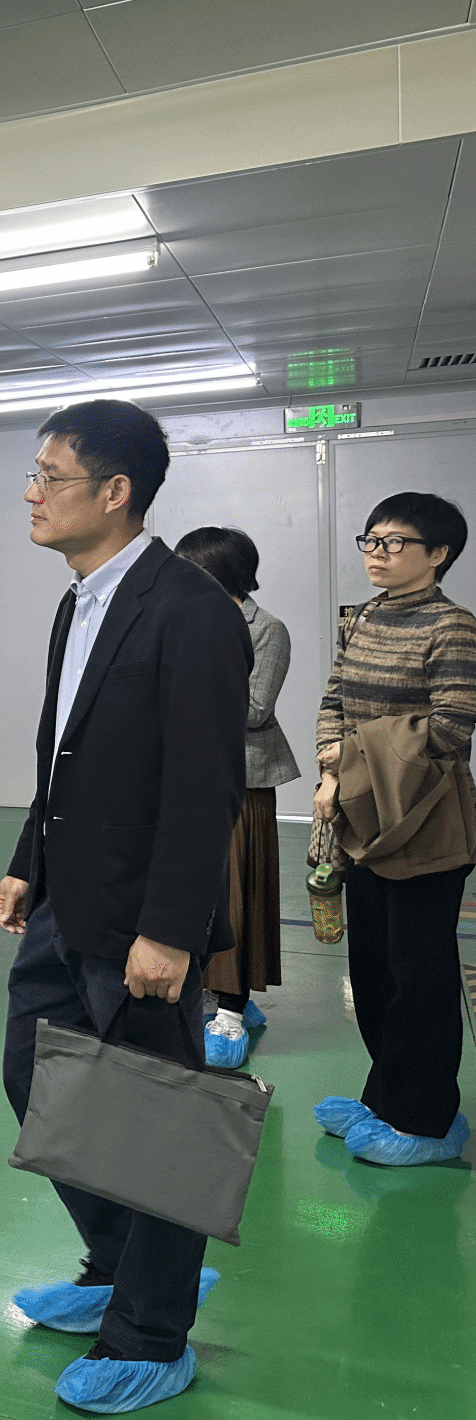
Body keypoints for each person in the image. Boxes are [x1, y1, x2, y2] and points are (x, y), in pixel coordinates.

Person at [0, 401, 249, 1415]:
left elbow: (204, 787)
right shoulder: (81, 601)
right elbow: (63, 752)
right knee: (34, 1080)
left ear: (115, 492)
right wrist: (28, 858)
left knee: (155, 1125)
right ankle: (123, 1263)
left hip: (140, 919)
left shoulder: (190, 612)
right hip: (67, 898)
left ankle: (150, 1331)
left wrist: (170, 931)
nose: (30, 494)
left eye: (49, 476)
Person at [311, 492, 476, 1167]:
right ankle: (386, 1096)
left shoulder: (452, 627)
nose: (377, 553)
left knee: (419, 974)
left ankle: (427, 1119)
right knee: (373, 966)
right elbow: (334, 699)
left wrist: (348, 759)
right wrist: (332, 771)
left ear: (438, 554)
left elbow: (451, 728)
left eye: (395, 542)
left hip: (426, 819)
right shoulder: (365, 616)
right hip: (362, 811)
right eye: (371, 540)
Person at [174, 527, 300, 1068]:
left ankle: (231, 1007)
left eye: (189, 567)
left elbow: (254, 708)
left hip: (243, 780)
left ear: (218, 572)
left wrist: (181, 689)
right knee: (193, 890)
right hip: (187, 777)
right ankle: (204, 988)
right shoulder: (185, 619)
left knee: (236, 893)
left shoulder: (267, 629)